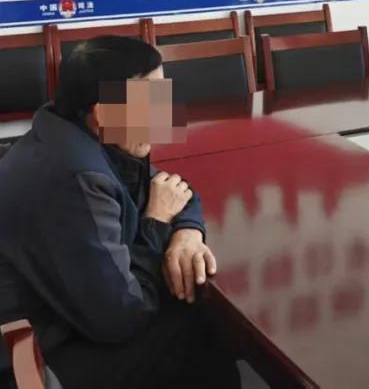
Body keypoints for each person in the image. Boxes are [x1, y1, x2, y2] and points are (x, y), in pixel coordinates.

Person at [0, 37, 240, 389]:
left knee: (192, 307)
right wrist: (155, 223)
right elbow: (122, 318)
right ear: (103, 113)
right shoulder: (76, 177)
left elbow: (172, 190)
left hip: (74, 318)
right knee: (203, 335)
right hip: (37, 356)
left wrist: (187, 234)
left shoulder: (75, 130)